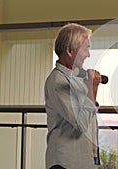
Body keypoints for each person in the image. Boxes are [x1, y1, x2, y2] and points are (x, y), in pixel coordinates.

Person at [45, 23, 102, 169]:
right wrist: (92, 88)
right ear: (70, 51)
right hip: (65, 163)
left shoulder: (76, 77)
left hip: (83, 160)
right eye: (86, 48)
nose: (88, 54)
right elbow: (81, 123)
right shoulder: (58, 80)